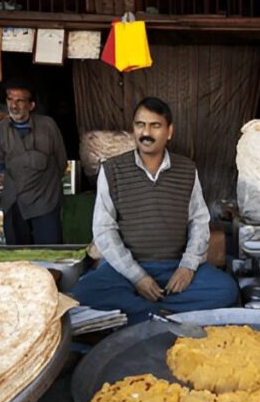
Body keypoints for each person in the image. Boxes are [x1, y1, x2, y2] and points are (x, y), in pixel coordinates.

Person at [72, 97, 238, 324]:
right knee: (85, 291)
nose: (146, 132)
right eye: (140, 125)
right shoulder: (112, 170)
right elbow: (104, 230)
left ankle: (142, 311)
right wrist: (137, 277)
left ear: (169, 132)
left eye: (155, 125)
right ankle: (159, 312)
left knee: (226, 289)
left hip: (173, 266)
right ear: (133, 129)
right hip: (127, 270)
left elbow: (199, 221)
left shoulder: (187, 169)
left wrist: (188, 268)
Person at [0, 81, 67, 245]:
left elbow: (61, 162)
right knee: (18, 257)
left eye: (19, 101)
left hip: (45, 200)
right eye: (10, 99)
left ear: (31, 105)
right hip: (15, 201)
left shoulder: (48, 126)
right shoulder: (1, 129)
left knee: (49, 254)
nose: (14, 105)